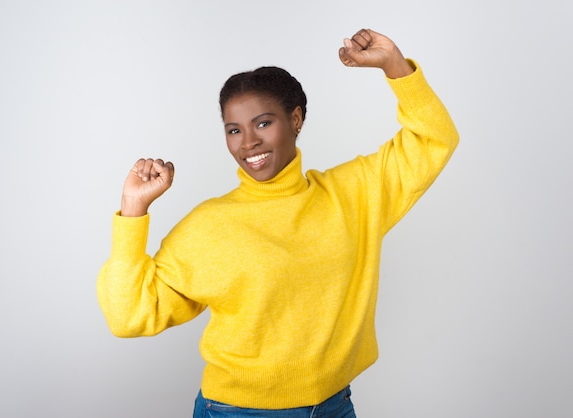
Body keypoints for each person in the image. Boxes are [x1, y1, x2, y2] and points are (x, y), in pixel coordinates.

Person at [97, 28, 459, 417]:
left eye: (263, 123)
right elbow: (127, 316)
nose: (247, 141)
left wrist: (395, 65)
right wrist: (133, 209)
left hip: (334, 405)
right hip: (238, 411)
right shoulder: (210, 225)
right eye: (234, 130)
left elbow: (434, 139)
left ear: (296, 119)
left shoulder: (355, 194)